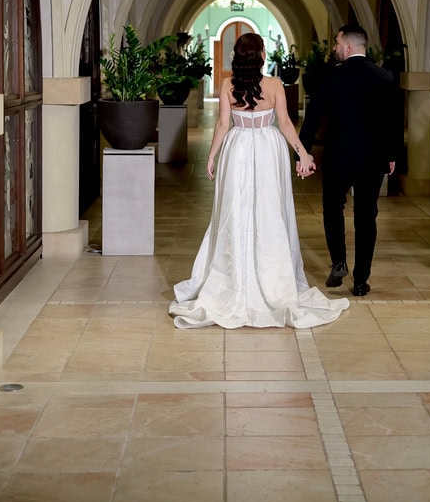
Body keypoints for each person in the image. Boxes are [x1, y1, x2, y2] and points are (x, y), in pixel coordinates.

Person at [168, 32, 349, 328]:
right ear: (262, 55)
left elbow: (224, 124)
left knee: (235, 209)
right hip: (269, 147)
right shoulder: (276, 85)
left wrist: (213, 155)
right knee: (268, 209)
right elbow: (286, 123)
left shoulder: (228, 85)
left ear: (236, 57)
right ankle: (272, 277)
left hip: (237, 147)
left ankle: (234, 275)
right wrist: (302, 153)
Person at [298, 24, 399, 297]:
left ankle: (339, 262)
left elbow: (313, 117)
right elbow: (393, 121)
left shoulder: (332, 77)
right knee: (367, 216)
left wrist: (302, 152)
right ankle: (361, 279)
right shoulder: (385, 77)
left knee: (333, 209)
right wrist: (391, 155)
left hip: (338, 157)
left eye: (337, 43)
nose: (334, 48)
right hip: (372, 159)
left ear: (349, 47)